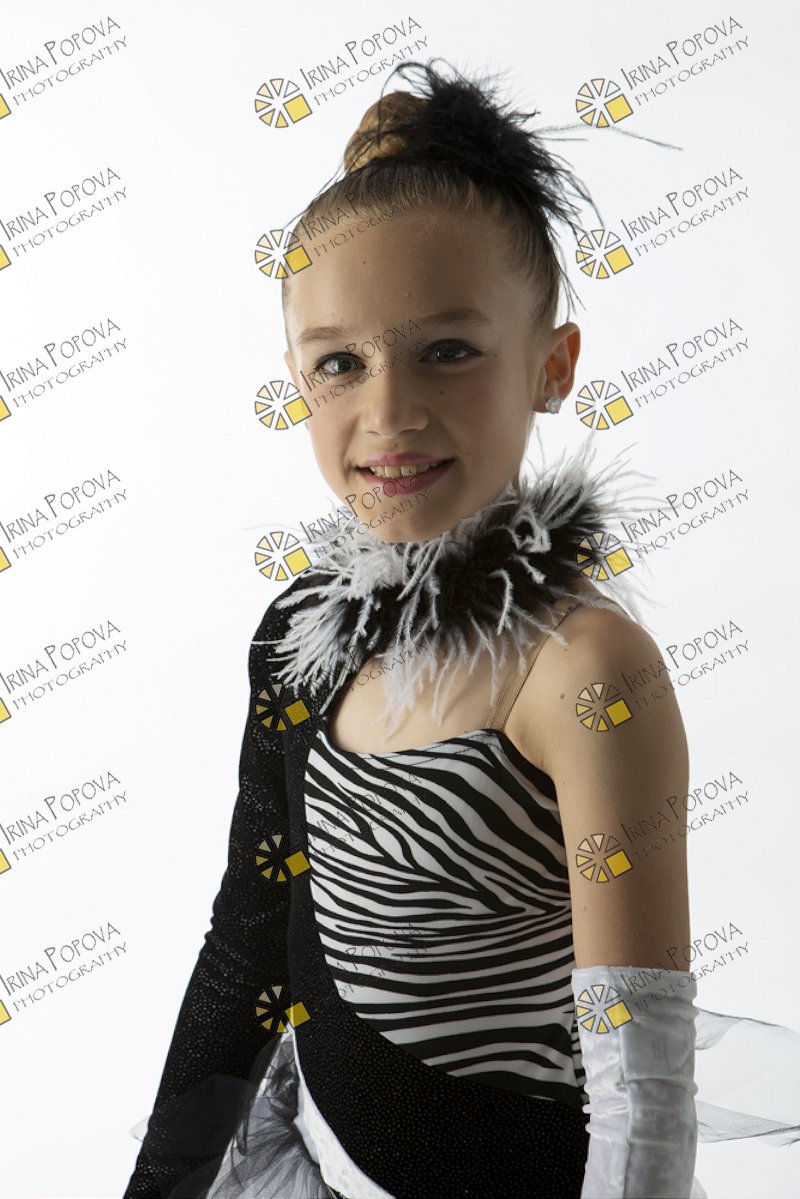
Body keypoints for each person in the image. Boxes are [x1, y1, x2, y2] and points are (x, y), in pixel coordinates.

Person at [125, 59, 799, 1199]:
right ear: (296, 380)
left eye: (447, 350)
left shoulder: (583, 672)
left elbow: (640, 1100)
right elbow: (249, 938)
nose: (388, 412)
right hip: (304, 1157)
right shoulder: (300, 631)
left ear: (552, 365)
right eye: (339, 363)